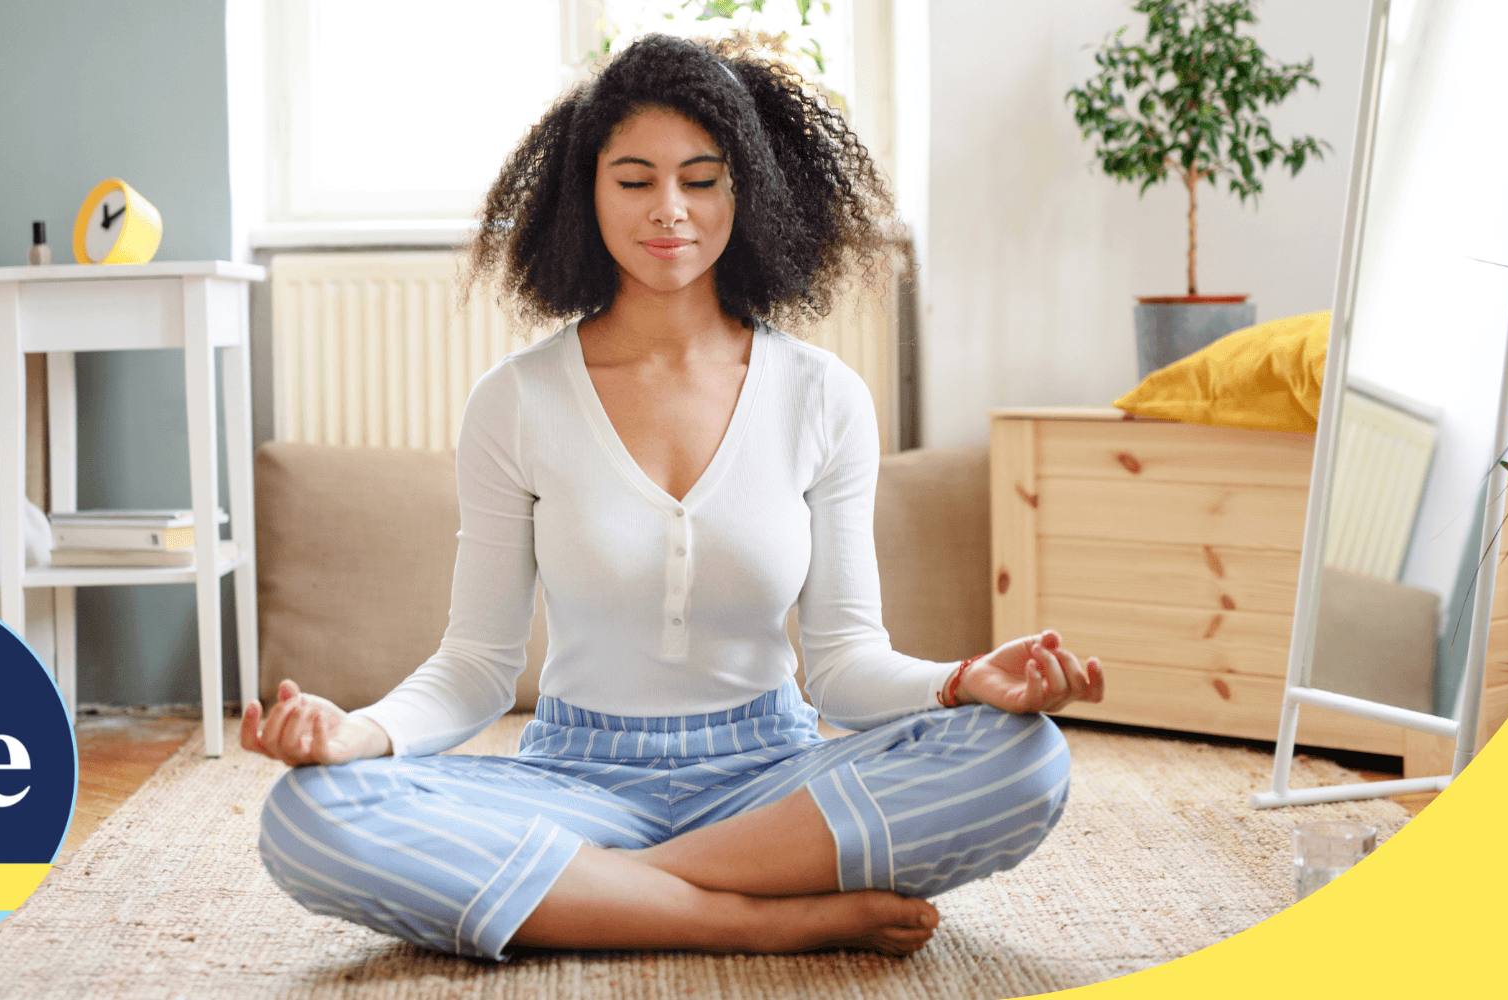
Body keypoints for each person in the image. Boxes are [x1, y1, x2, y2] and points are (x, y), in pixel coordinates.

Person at [241, 32, 1105, 962]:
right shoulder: (515, 400)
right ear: (585, 193)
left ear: (749, 191)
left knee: (1024, 757)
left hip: (772, 784)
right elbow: (477, 666)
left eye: (702, 179)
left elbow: (846, 669)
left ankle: (595, 891)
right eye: (634, 179)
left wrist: (962, 682)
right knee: (310, 815)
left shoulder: (823, 395)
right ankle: (755, 916)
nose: (670, 209)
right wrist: (358, 733)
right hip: (572, 782)